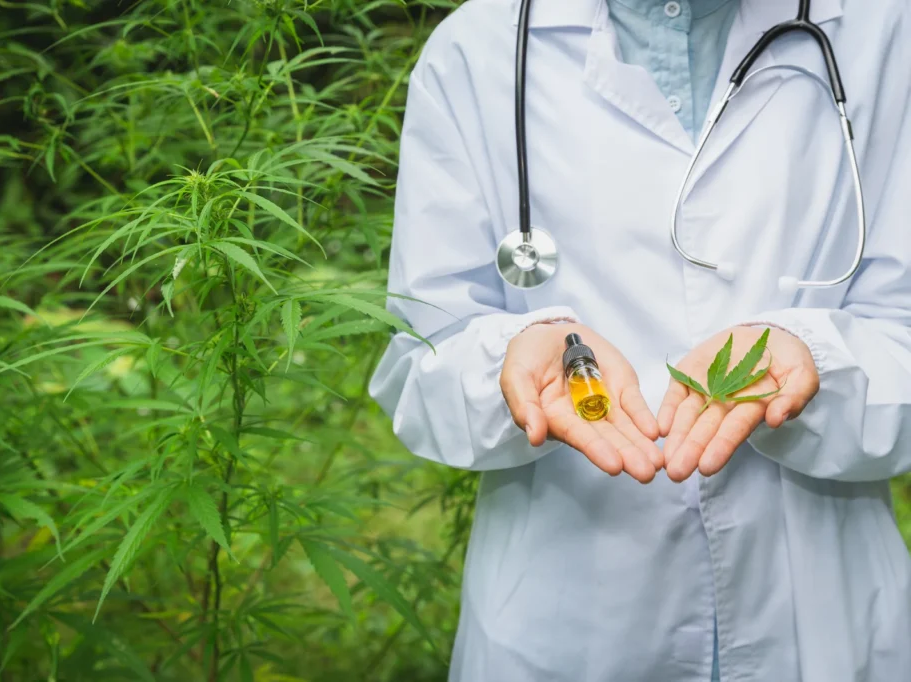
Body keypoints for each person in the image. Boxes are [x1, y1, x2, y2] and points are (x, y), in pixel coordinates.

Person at [368, 0, 911, 680]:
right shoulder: (476, 50)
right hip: (565, 621)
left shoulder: (883, 30)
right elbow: (423, 356)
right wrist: (505, 360)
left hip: (826, 624)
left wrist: (820, 364)